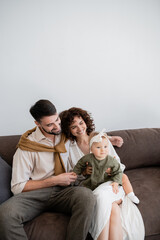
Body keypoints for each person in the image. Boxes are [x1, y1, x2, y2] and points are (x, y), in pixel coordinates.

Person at [0, 100, 96, 240]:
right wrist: (52, 180)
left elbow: (85, 136)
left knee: (87, 197)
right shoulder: (27, 147)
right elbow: (17, 187)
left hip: (65, 191)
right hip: (36, 194)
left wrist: (109, 139)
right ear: (37, 124)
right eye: (50, 124)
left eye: (57, 120)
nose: (57, 126)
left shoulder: (66, 134)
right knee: (5, 214)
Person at [59, 107, 144, 240]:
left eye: (81, 123)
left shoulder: (100, 139)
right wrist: (84, 173)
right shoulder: (70, 148)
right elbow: (73, 177)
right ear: (68, 129)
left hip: (112, 184)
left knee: (104, 197)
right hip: (91, 187)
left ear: (85, 121)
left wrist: (111, 171)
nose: (79, 128)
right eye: (73, 126)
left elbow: (119, 165)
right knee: (113, 209)